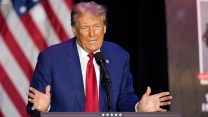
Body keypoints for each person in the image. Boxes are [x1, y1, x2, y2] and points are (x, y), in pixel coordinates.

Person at [26, 1, 172, 115]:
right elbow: (34, 107)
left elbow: (125, 97)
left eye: (96, 26)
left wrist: (138, 108)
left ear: (105, 28)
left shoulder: (119, 56)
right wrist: (45, 108)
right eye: (85, 28)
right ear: (74, 30)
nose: (92, 34)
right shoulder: (50, 59)